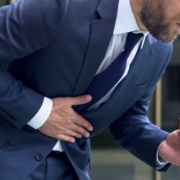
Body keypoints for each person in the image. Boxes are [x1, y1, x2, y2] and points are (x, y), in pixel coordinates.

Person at [0, 0, 180, 179]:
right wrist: (40, 111)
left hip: (70, 169)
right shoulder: (62, 5)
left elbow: (128, 116)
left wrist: (161, 145)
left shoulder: (161, 50)